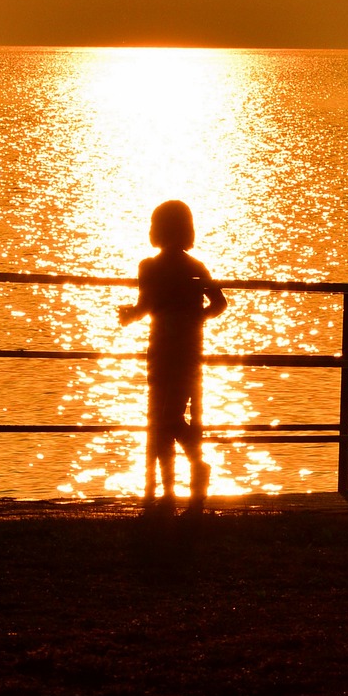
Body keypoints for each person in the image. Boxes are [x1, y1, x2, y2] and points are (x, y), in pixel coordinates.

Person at [118, 200, 227, 512]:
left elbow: (145, 307)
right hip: (190, 351)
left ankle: (173, 485)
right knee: (174, 416)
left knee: (161, 419)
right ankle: (184, 480)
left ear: (157, 229)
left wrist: (127, 315)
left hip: (161, 350)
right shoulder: (196, 267)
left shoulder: (148, 267)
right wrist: (195, 319)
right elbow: (219, 304)